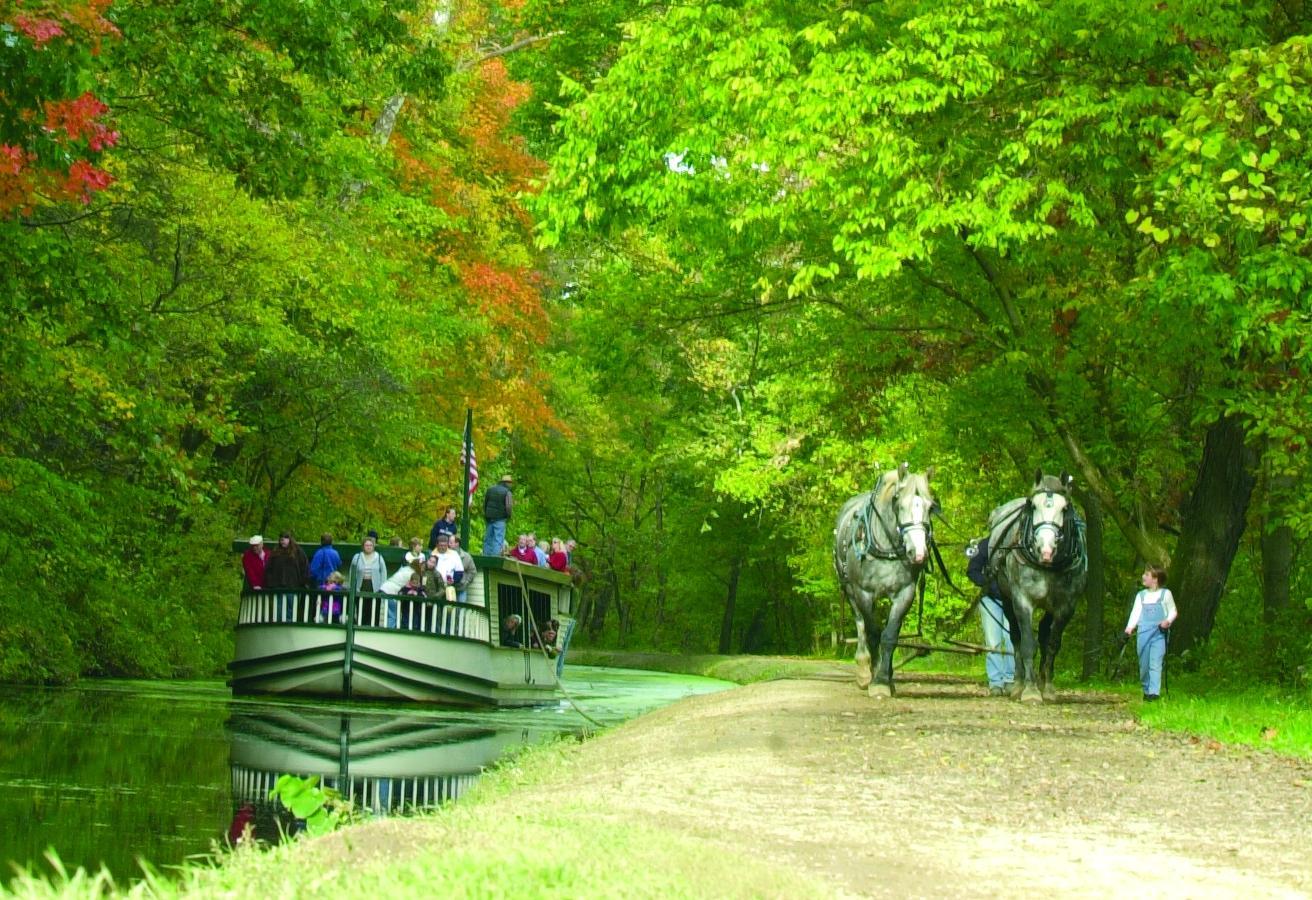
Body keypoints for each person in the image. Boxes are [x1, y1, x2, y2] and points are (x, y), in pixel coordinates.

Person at [967, 537, 1014, 696]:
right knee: (993, 642)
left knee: (1011, 638)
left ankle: (1011, 679)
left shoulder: (1017, 545)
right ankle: (995, 682)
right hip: (990, 599)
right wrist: (989, 584)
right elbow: (972, 570)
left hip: (1013, 600)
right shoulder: (985, 545)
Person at [1124, 565, 1177, 701]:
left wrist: (1167, 621)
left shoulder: (1166, 594)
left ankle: (1154, 693)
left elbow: (1173, 611)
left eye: (1146, 575)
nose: (1143, 577)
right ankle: (1146, 689)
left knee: (1155, 663)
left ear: (1155, 579)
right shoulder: (1141, 596)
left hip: (1159, 635)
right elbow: (1135, 613)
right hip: (1143, 634)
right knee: (1144, 665)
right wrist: (1130, 627)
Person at [265, 532, 309, 620]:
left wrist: (302, 582)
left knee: (290, 607)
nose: (283, 542)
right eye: (281, 540)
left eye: (285, 539)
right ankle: (278, 624)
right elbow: (269, 568)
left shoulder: (298, 552)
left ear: (290, 540)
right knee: (278, 608)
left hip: (292, 585)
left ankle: (289, 623)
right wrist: (270, 582)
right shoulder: (275, 553)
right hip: (277, 585)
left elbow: (304, 567)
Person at [482, 474, 513, 556]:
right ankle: (494, 559)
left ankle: (485, 557)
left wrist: (486, 514)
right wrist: (508, 516)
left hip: (489, 518)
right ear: (506, 483)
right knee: (498, 540)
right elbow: (508, 506)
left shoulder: (490, 489)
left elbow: (485, 503)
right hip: (500, 519)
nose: (511, 484)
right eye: (510, 482)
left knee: (488, 539)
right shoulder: (507, 492)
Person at [428, 533, 463, 602]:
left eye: (445, 545)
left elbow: (460, 571)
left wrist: (454, 580)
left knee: (449, 609)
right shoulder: (433, 554)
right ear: (437, 545)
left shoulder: (454, 554)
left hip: (449, 587)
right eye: (441, 545)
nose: (443, 547)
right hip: (435, 587)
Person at [451, 534, 478, 604]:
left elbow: (473, 571)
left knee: (461, 610)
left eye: (451, 542)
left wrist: (466, 582)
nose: (449, 544)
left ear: (457, 543)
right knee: (449, 610)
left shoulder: (466, 556)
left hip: (461, 588)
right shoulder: (446, 555)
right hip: (449, 588)